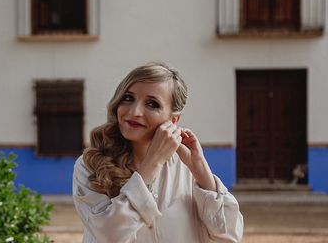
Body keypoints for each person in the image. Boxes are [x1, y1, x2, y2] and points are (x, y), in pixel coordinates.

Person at [73, 62, 244, 242]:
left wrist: (201, 170)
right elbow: (109, 235)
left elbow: (229, 236)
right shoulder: (90, 166)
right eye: (128, 98)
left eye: (152, 104)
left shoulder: (186, 169)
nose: (134, 111)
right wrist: (151, 165)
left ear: (173, 119)